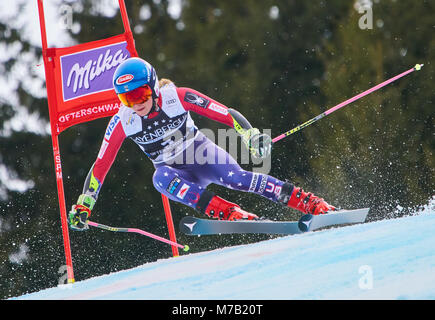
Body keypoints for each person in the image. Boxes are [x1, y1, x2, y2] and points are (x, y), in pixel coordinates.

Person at [68, 57, 336, 231]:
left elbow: (225, 113)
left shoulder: (178, 97)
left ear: (153, 87)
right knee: (160, 178)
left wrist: (251, 135)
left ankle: (311, 204)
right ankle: (230, 213)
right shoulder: (123, 121)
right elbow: (101, 164)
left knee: (238, 179)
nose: (136, 103)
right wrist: (85, 202)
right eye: (127, 99)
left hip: (200, 153)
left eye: (140, 94)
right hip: (174, 171)